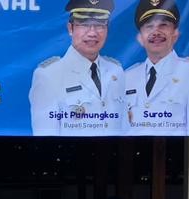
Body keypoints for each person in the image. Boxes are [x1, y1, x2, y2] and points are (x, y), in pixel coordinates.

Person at [29, 0, 125, 135]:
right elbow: (46, 140)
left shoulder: (116, 71)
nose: (92, 33)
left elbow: (125, 129)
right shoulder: (48, 75)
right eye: (84, 24)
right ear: (70, 28)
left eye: (99, 25)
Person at [123, 0, 189, 135]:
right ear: (140, 38)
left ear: (175, 34)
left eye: (163, 25)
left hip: (175, 150)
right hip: (133, 150)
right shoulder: (128, 76)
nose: (156, 32)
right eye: (149, 26)